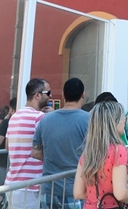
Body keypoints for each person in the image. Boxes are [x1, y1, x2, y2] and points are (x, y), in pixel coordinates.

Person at [73, 101, 128, 208]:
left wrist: (96, 196)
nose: (125, 120)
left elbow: (78, 193)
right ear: (114, 122)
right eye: (123, 117)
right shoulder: (118, 150)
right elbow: (120, 194)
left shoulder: (88, 151)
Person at [32, 78, 90, 209]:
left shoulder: (45, 119)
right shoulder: (89, 120)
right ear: (83, 94)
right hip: (75, 189)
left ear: (63, 95)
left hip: (48, 188)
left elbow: (35, 152)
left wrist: (54, 159)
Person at [4, 78, 50, 209]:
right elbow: (49, 147)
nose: (50, 96)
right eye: (48, 93)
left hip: (13, 182)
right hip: (31, 184)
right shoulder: (40, 117)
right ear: (37, 95)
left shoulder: (14, 116)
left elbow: (7, 146)